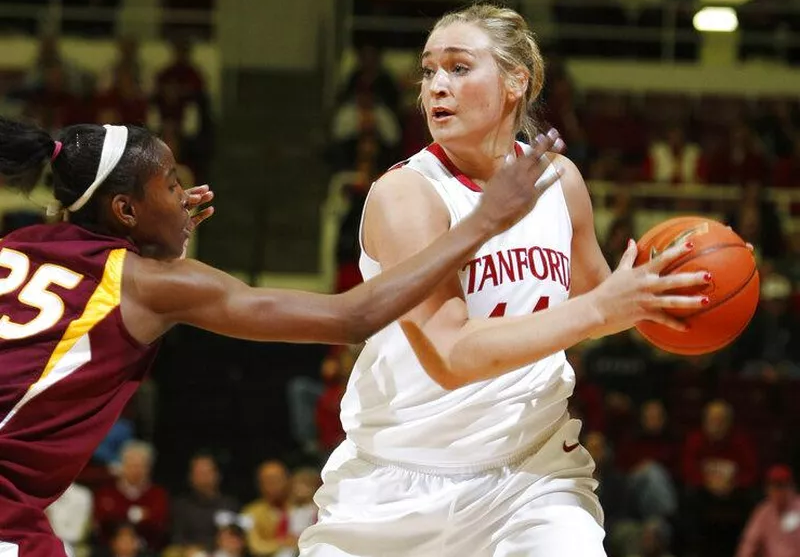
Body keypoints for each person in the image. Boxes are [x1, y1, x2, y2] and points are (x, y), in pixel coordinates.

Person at [0, 113, 564, 557]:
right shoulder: (150, 283)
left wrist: (156, 235)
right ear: (124, 210)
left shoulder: (16, 246)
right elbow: (352, 318)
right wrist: (484, 219)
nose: (185, 196)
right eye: (171, 186)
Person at [298, 2, 708, 557]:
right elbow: (450, 355)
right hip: (397, 485)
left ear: (517, 81)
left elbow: (598, 307)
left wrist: (669, 291)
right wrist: (603, 310)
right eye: (428, 70)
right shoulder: (407, 196)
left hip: (532, 475)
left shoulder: (561, 182)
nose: (436, 86)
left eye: (459, 68)